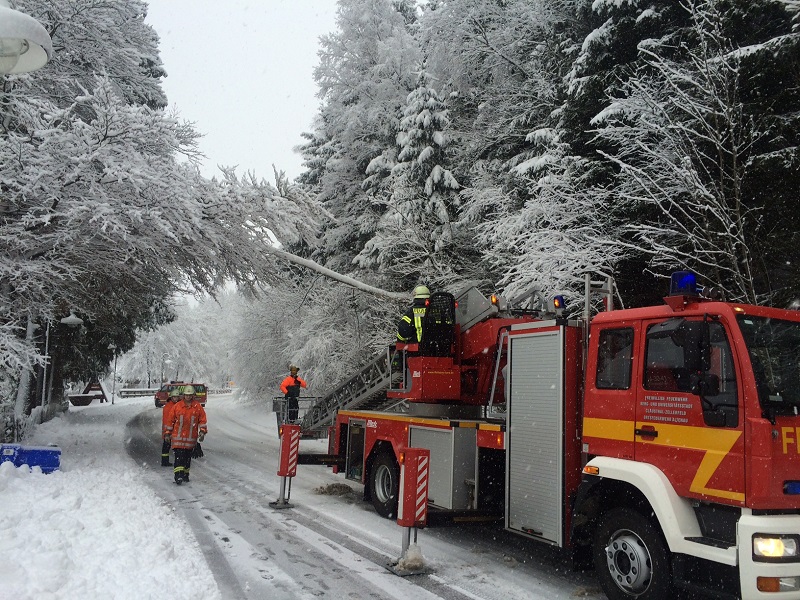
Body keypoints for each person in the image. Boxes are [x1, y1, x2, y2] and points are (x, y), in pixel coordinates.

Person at [164, 385, 207, 485]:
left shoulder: (197, 407)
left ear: (193, 395)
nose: (188, 397)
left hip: (190, 440)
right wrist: (167, 434)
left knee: (187, 459)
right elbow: (170, 421)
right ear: (183, 395)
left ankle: (185, 475)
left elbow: (202, 420)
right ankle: (178, 476)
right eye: (187, 395)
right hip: (178, 439)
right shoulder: (177, 406)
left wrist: (202, 431)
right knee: (179, 458)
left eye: (190, 395)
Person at [160, 389, 181, 467]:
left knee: (171, 446)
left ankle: (167, 461)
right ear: (171, 397)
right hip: (169, 430)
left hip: (175, 430)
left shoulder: (177, 405)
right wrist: (167, 432)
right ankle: (165, 461)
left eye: (177, 397)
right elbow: (167, 420)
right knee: (167, 446)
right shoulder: (169, 407)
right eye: (174, 397)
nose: (176, 398)